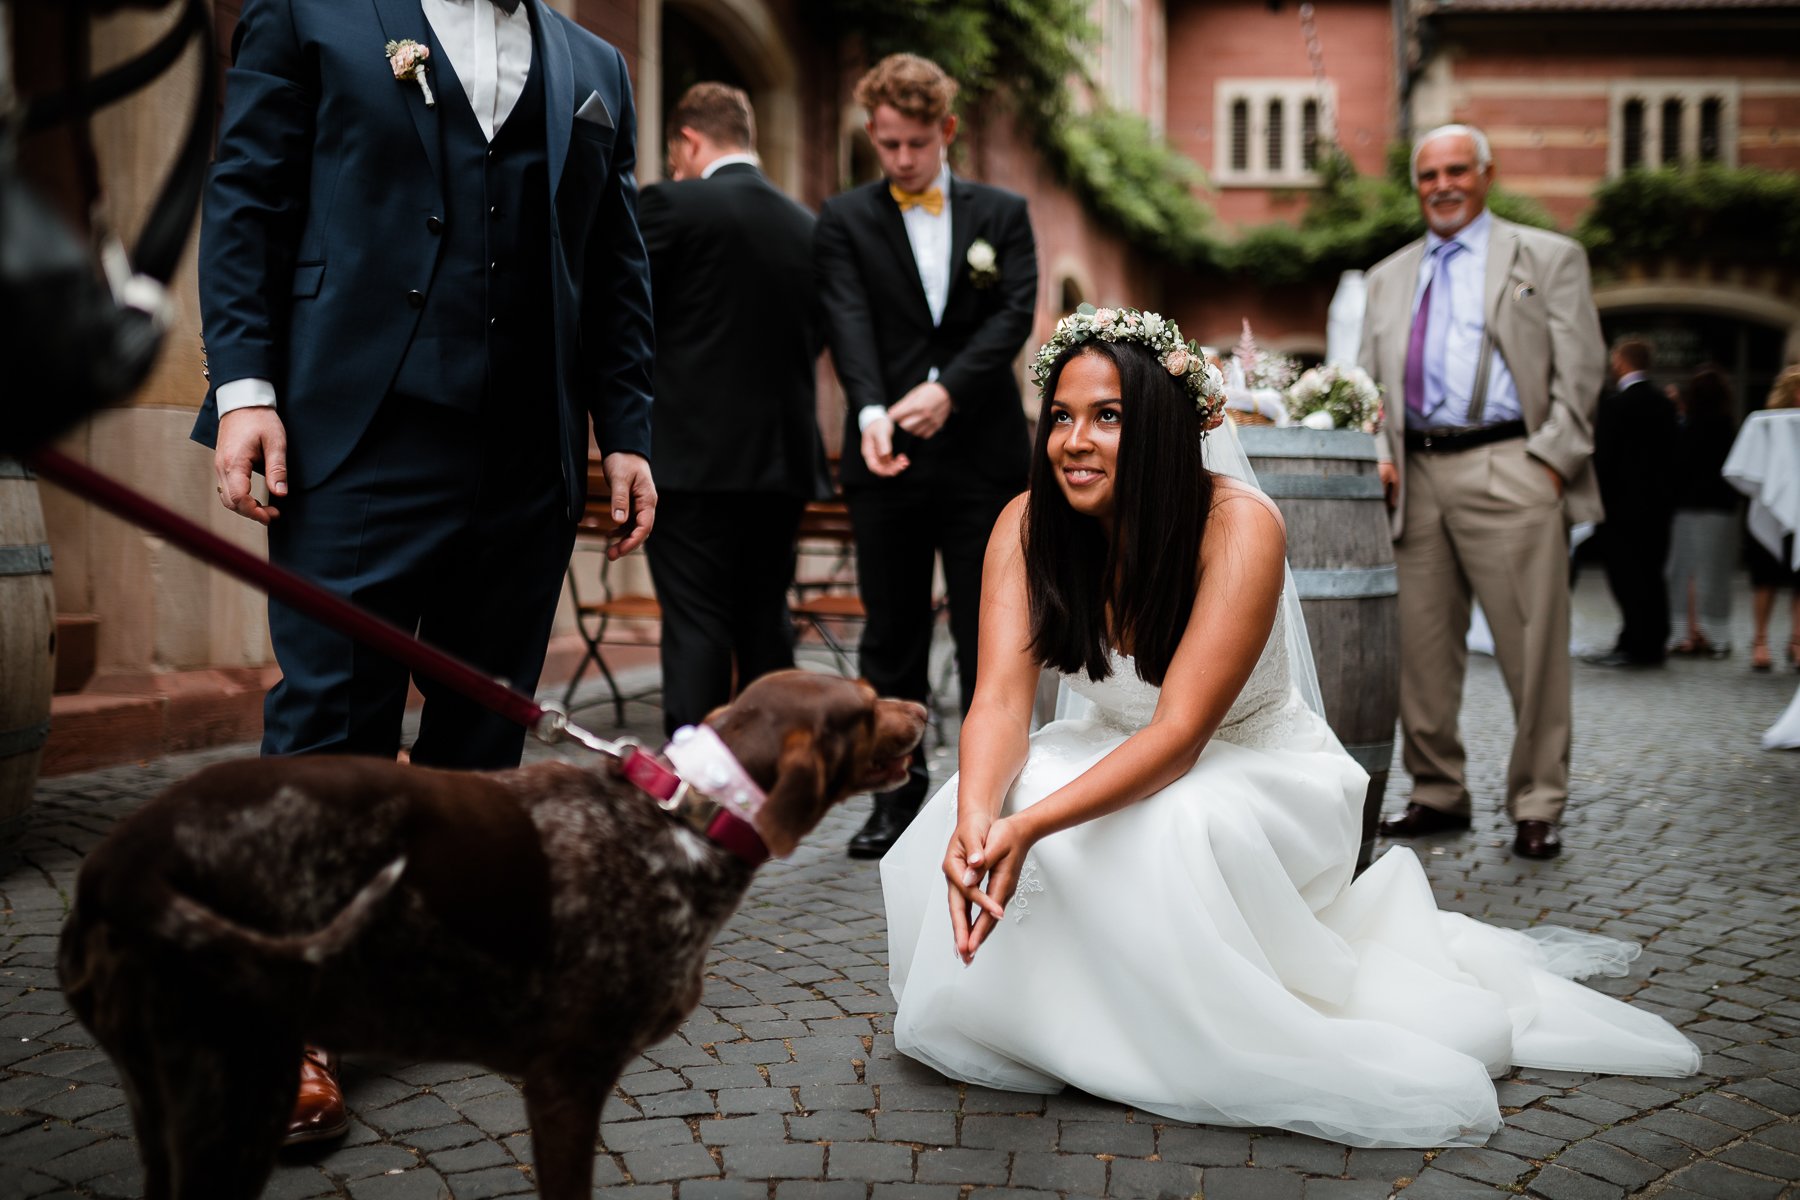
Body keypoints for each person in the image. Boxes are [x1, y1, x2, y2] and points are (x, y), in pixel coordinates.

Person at [880, 308, 1699, 1150]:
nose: (1074, 441)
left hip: (1253, 766)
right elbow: (1002, 704)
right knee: (958, 809)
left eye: (1108, 416)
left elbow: (1180, 736)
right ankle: (1048, 1018)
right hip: (1109, 741)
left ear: (1161, 426)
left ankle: (1165, 1028)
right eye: (1061, 415)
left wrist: (1030, 825)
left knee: (1169, 826)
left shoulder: (1237, 525)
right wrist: (983, 818)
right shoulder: (1025, 524)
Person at [192, 0, 656, 1146]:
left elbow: (612, 253)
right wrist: (246, 390)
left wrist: (628, 427)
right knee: (328, 720)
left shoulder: (594, 63)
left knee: (477, 738)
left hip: (523, 457)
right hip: (356, 435)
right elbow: (246, 195)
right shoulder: (312, 16)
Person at [1359, 124, 1605, 861]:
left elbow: (1582, 368)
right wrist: (1378, 451)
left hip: (1510, 463)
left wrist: (1551, 461)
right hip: (1416, 475)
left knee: (1532, 645)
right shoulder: (1387, 276)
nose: (1442, 185)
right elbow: (1367, 384)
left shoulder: (1548, 257)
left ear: (1486, 174)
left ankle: (1536, 801)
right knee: (1421, 649)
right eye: (1428, 174)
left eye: (1457, 170)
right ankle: (1437, 791)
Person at [815, 53, 1038, 858]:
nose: (901, 159)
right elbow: (847, 319)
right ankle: (896, 794)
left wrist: (949, 389)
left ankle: (996, 792)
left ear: (946, 131)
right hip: (889, 461)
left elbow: (1013, 315)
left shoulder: (1003, 213)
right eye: (887, 145)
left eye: (914, 142)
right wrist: (871, 410)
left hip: (981, 455)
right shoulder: (843, 218)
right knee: (892, 631)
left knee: (994, 629)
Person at [639, 82, 822, 735]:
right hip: (781, 461)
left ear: (689, 139)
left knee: (697, 624)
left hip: (690, 459)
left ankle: (698, 790)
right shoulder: (809, 225)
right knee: (764, 619)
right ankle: (778, 775)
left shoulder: (671, 204)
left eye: (675, 152)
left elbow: (627, 314)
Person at [1587, 337, 1680, 667]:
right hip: (1658, 509)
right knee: (1652, 576)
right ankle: (1647, 641)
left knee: (1627, 577)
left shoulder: (1615, 406)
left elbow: (1604, 459)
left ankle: (1637, 645)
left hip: (1622, 509)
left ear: (1622, 362)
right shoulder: (1664, 403)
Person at [1664, 366, 1739, 659]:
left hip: (1686, 505)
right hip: (1719, 507)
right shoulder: (1727, 427)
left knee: (1683, 571)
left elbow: (1676, 467)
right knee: (1715, 572)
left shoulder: (1686, 427)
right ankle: (1715, 636)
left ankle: (1686, 634)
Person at [1746, 365, 1800, 672]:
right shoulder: (1763, 424)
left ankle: (1797, 640)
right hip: (1770, 509)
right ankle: (1760, 640)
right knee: (1765, 578)